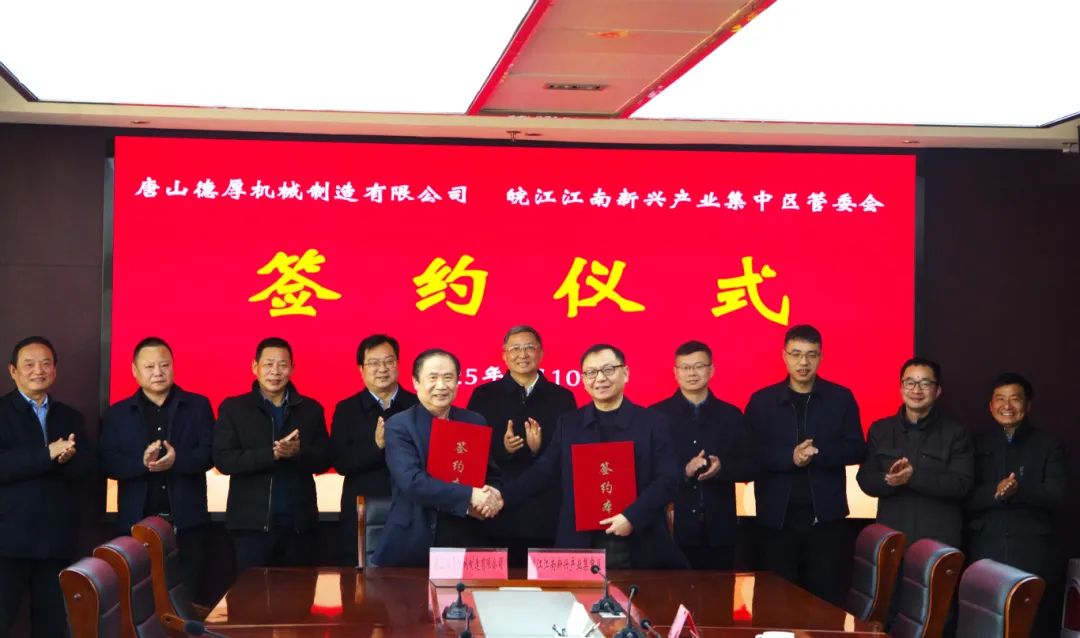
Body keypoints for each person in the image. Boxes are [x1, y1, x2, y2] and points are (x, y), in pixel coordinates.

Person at [503, 344, 687, 569]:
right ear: (583, 379)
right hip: (580, 544)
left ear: (625, 373)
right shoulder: (569, 423)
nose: (600, 378)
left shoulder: (653, 422)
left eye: (608, 370)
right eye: (591, 372)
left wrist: (632, 517)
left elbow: (669, 479)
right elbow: (544, 471)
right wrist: (501, 496)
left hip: (638, 542)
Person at [745, 324, 865, 604]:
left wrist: (818, 453)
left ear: (821, 357)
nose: (803, 362)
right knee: (775, 601)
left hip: (826, 519)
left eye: (811, 354)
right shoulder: (762, 401)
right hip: (776, 520)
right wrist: (790, 457)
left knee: (824, 601)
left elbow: (857, 448)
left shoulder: (840, 398)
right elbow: (750, 455)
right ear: (784, 356)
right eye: (796, 354)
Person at [100, 337, 214, 601]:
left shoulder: (198, 406)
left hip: (187, 523)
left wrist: (177, 461)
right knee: (140, 601)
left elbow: (210, 455)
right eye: (149, 367)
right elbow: (107, 463)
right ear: (135, 370)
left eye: (164, 365)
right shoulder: (118, 413)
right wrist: (141, 463)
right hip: (136, 525)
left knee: (187, 600)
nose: (158, 372)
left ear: (173, 366)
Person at [1, 336, 95, 638]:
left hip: (55, 540)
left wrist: (68, 459)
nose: (38, 370)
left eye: (45, 364)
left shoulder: (69, 416)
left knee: (52, 626)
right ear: (13, 371)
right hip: (8, 541)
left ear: (55, 370)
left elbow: (88, 467)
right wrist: (46, 454)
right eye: (29, 364)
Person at [213, 337, 332, 576]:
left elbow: (325, 459)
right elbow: (224, 460)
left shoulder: (310, 409)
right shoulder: (234, 408)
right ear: (254, 367)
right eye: (268, 364)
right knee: (251, 596)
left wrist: (298, 453)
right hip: (250, 527)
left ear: (293, 368)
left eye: (282, 365)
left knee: (298, 596)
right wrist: (271, 454)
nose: (275, 371)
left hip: (299, 527)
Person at [372, 349, 502, 567]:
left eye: (448, 377)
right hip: (413, 544)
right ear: (415, 382)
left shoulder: (474, 421)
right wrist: (471, 496)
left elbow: (491, 475)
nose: (441, 386)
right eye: (433, 378)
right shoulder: (399, 425)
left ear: (458, 382)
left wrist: (494, 496)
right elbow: (412, 482)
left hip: (465, 540)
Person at [967, 373, 1067, 638]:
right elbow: (963, 495)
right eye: (1000, 399)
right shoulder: (975, 443)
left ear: (1028, 405)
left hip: (1034, 552)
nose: (1007, 406)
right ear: (990, 406)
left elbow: (1058, 495)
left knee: (1033, 626)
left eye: (1015, 399)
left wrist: (1018, 490)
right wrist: (995, 492)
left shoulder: (1049, 444)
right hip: (987, 549)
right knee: (985, 625)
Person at [466, 326, 577, 565]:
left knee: (544, 579)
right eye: (515, 349)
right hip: (496, 507)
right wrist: (503, 448)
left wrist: (538, 449)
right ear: (504, 355)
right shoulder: (484, 395)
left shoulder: (562, 397)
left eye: (529, 348)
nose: (522, 355)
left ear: (541, 353)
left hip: (545, 509)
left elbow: (568, 454)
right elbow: (471, 451)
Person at [651, 340, 756, 570]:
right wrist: (684, 470)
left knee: (719, 592)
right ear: (675, 372)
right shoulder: (656, 417)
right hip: (672, 529)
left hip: (720, 529)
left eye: (699, 366)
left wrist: (722, 468)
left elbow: (751, 466)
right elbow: (647, 471)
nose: (692, 373)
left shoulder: (731, 415)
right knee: (671, 591)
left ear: (711, 370)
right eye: (686, 367)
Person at [857, 357, 973, 549]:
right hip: (891, 541)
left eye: (925, 384)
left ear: (937, 391)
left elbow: (962, 485)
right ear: (901, 388)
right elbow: (865, 479)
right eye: (910, 382)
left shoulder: (956, 432)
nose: (916, 390)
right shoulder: (880, 429)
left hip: (939, 542)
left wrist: (913, 477)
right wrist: (889, 479)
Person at [330, 334, 418, 567]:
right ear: (361, 369)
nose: (382, 369)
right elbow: (340, 462)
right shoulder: (347, 409)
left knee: (410, 579)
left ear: (398, 364)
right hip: (362, 510)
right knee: (359, 582)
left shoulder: (417, 406)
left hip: (411, 508)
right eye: (374, 363)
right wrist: (376, 445)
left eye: (388, 361)